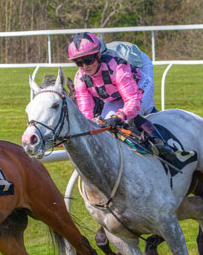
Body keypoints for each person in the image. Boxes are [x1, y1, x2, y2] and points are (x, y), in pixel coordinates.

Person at [68, 32, 177, 160]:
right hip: (116, 93)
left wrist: (119, 117)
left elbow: (132, 101)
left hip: (140, 84)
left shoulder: (117, 68)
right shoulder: (80, 79)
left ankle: (162, 145)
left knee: (127, 118)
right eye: (78, 62)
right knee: (103, 123)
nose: (85, 66)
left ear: (98, 55)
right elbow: (86, 113)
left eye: (88, 60)